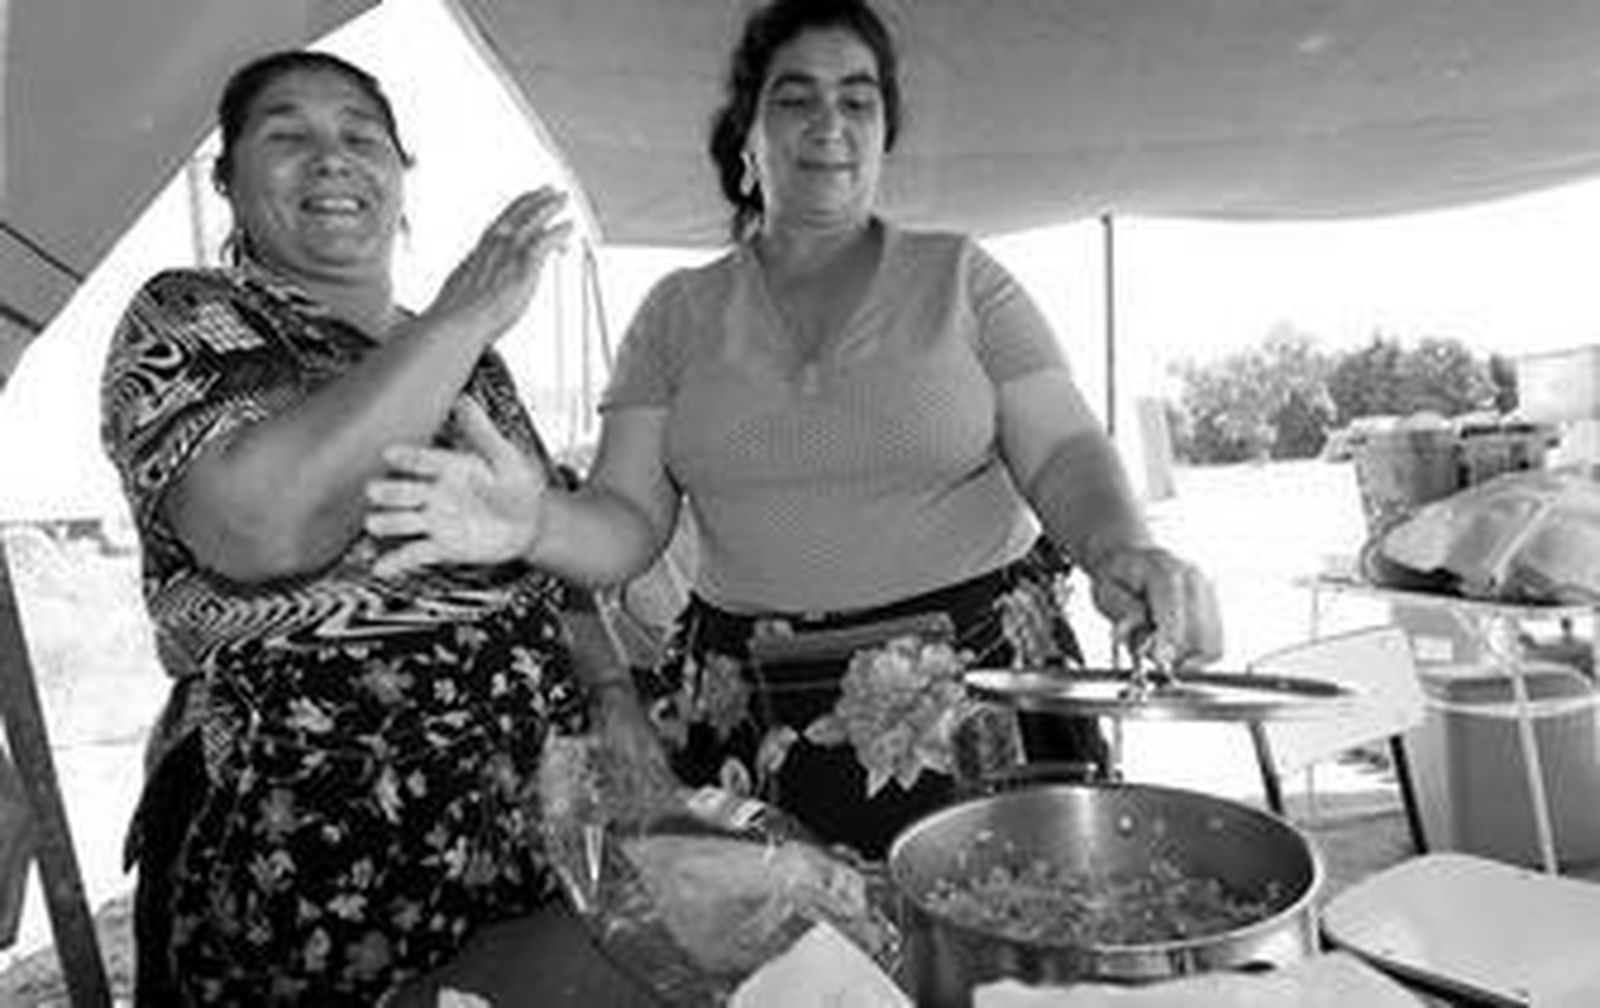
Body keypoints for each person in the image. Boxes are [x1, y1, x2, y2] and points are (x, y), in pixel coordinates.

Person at [366, 0, 1223, 861]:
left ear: (886, 132)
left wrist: (1121, 548)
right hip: (758, 715)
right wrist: (537, 524)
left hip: (982, 696)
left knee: (1009, 962)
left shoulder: (964, 278)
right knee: (798, 976)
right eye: (795, 97)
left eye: (859, 100)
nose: (830, 123)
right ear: (747, 133)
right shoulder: (675, 314)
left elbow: (1065, 451)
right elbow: (626, 519)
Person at [100, 49, 655, 1004]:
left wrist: (615, 702)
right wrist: (463, 314)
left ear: (402, 177)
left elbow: (552, 570)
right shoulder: (196, 317)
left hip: (515, 829)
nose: (332, 158)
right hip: (305, 849)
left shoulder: (475, 366)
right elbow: (265, 529)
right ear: (227, 181)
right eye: (287, 135)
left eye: (361, 135)